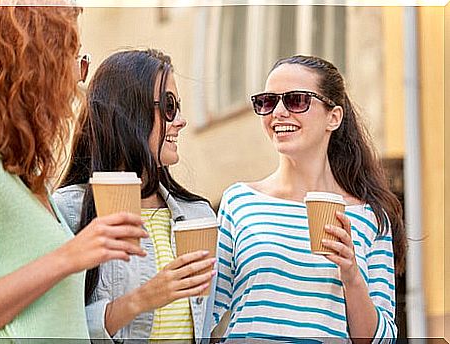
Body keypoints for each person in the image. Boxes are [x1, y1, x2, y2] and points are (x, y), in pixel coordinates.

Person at [0, 4, 148, 341]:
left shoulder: (29, 175)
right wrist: (70, 256)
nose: (79, 80)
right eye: (76, 59)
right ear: (38, 67)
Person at [212, 55, 406, 341]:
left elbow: (381, 339)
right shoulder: (239, 202)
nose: (278, 112)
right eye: (267, 101)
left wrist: (351, 275)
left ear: (334, 117)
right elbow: (205, 313)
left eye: (296, 100)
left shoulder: (370, 218)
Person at [53, 49, 216, 342]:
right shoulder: (67, 212)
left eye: (177, 106)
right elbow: (53, 324)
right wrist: (141, 300)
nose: (180, 121)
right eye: (168, 106)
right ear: (128, 113)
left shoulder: (198, 214)